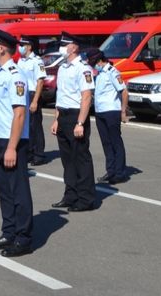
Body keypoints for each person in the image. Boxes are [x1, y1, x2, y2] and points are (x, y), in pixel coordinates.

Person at [0, 26, 33, 258]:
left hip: (13, 141)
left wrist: (12, 147)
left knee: (18, 191)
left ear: (2, 48)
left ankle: (23, 238)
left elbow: (19, 114)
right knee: (3, 190)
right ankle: (8, 232)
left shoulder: (16, 76)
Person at [50, 32, 96, 212]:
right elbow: (60, 97)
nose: (62, 47)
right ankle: (71, 195)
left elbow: (86, 97)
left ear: (74, 47)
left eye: (65, 44)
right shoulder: (63, 68)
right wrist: (56, 120)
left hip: (77, 116)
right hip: (63, 116)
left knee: (81, 158)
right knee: (67, 160)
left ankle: (86, 199)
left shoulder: (82, 69)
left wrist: (80, 123)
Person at [88, 49, 129, 184]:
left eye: (94, 63)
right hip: (100, 112)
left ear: (100, 60)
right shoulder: (99, 74)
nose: (94, 66)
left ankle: (120, 173)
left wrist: (123, 111)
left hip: (112, 111)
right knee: (106, 143)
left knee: (115, 141)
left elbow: (123, 92)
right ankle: (110, 171)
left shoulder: (112, 72)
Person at [17, 36, 48, 165]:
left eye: (23, 44)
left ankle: (39, 154)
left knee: (35, 126)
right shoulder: (21, 60)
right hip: (23, 94)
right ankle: (29, 152)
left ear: (29, 46)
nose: (20, 47)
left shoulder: (37, 61)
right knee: (25, 125)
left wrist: (35, 101)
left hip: (32, 94)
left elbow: (40, 81)